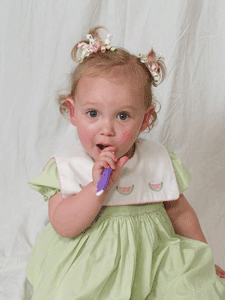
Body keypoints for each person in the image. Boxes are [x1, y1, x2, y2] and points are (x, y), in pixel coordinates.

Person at [26, 26, 225, 300]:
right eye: (93, 113)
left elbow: (180, 213)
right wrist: (96, 188)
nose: (106, 129)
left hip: (154, 260)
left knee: (190, 291)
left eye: (122, 116)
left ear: (145, 119)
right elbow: (63, 224)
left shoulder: (157, 161)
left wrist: (201, 262)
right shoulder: (68, 167)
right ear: (73, 112)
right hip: (91, 264)